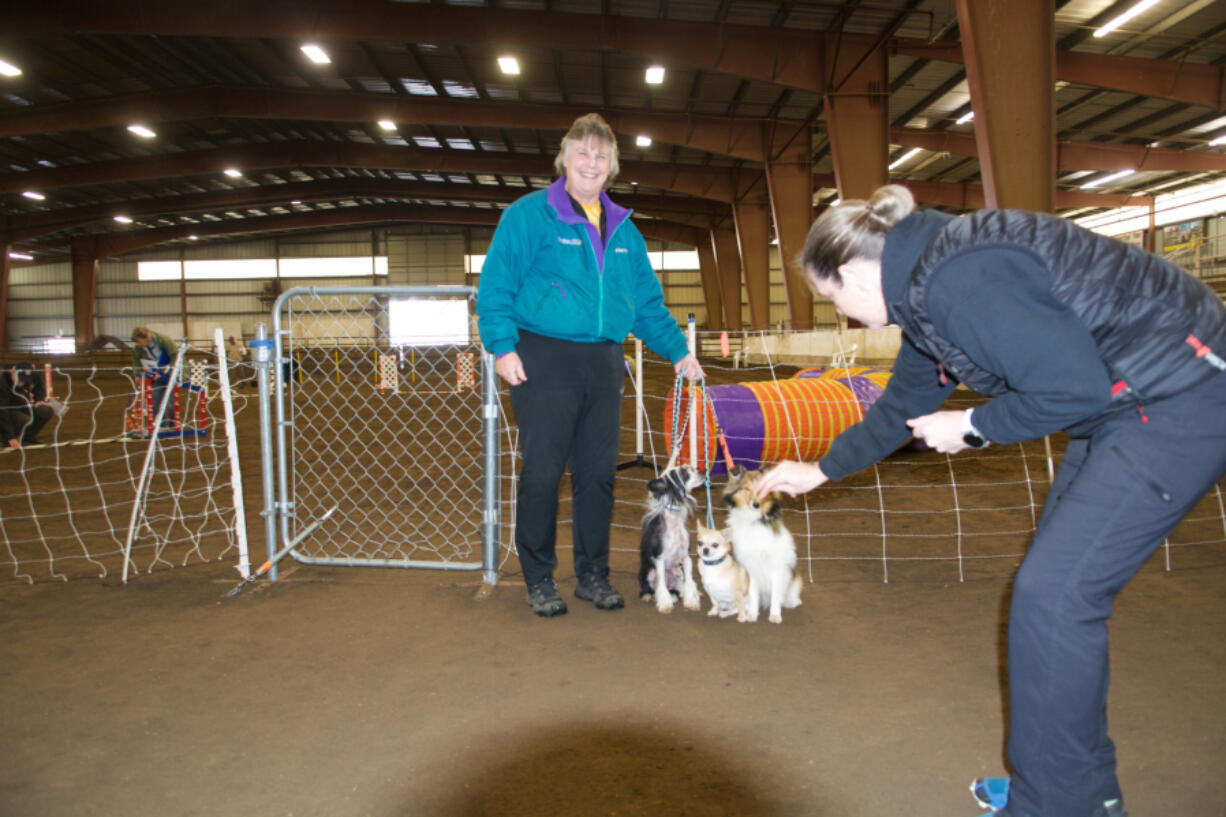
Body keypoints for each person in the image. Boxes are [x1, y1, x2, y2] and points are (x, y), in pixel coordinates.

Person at [755, 185, 1226, 817]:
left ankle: (1062, 803)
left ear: (850, 273)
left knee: (1056, 596)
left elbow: (1071, 389)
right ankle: (1062, 789)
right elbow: (903, 407)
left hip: (1178, 394)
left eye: (832, 298)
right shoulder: (923, 292)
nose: (841, 313)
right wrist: (821, 469)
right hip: (1120, 402)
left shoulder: (957, 279)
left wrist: (973, 426)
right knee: (1047, 597)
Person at [477, 113, 704, 618]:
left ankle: (593, 575)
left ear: (612, 167)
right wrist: (501, 346)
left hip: (604, 360)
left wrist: (678, 351)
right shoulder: (530, 215)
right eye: (583, 152)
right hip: (543, 356)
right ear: (564, 159)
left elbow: (646, 305)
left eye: (601, 156)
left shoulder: (625, 229)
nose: (591, 162)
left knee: (598, 474)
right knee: (543, 471)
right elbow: (495, 286)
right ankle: (538, 577)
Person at [130, 326, 178, 428]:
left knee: (171, 403)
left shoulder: (165, 340)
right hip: (156, 375)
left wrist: (164, 371)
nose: (138, 344)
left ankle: (174, 425)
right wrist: (137, 374)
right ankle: (161, 425)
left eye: (139, 341)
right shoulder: (138, 348)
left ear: (146, 338)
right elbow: (136, 360)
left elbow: (176, 357)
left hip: (171, 373)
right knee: (155, 399)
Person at [1, 362, 54, 449]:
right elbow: (2, 412)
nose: (23, 383)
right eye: (20, 379)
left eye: (25, 380)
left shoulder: (32, 374)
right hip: (6, 409)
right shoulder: (2, 382)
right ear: (13, 372)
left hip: (23, 405)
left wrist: (39, 399)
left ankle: (27, 437)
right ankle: (4, 439)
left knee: (45, 411)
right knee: (24, 420)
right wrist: (10, 437)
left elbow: (39, 385)